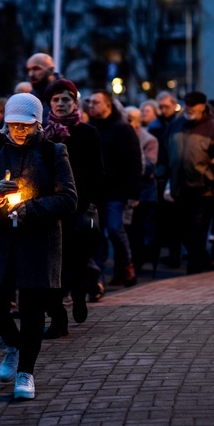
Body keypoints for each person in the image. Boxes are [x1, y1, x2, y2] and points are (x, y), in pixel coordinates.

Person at [0, 92, 76, 400]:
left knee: (32, 309)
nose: (19, 130)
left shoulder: (54, 152)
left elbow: (69, 199)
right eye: (13, 124)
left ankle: (26, 372)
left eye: (25, 125)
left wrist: (31, 209)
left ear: (38, 124)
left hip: (37, 243)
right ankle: (12, 344)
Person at [41, 79, 104, 338]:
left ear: (75, 102)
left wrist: (90, 203)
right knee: (51, 265)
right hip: (50, 208)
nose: (61, 104)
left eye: (66, 99)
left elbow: (97, 172)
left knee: (75, 261)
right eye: (56, 100)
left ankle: (78, 296)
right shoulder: (43, 133)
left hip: (78, 206)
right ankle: (58, 317)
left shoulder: (88, 133)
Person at [160, 91, 214, 275]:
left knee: (197, 229)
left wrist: (211, 174)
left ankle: (195, 268)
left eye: (193, 105)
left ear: (203, 106)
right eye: (187, 104)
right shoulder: (176, 126)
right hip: (178, 186)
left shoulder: (212, 128)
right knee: (181, 229)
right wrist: (161, 175)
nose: (189, 108)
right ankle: (202, 259)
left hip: (202, 187)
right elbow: (164, 152)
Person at [87, 89, 143, 287]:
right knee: (95, 232)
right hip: (95, 193)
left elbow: (134, 162)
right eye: (90, 102)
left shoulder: (122, 129)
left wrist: (133, 192)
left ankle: (126, 266)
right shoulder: (90, 128)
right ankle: (97, 276)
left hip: (116, 191)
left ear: (107, 105)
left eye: (96, 102)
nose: (91, 106)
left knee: (114, 229)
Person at [126, 102, 160, 276]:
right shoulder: (123, 137)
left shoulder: (148, 139)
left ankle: (141, 261)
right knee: (130, 231)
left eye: (130, 119)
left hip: (144, 192)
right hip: (128, 191)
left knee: (141, 231)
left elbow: (149, 166)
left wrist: (128, 169)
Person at [149, 90, 182, 268]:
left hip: (175, 173)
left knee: (176, 220)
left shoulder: (179, 123)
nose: (163, 109)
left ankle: (175, 254)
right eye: (160, 106)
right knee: (164, 220)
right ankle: (170, 253)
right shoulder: (156, 125)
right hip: (162, 174)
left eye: (166, 106)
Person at [25, 53, 59, 125]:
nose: (31, 74)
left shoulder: (65, 97)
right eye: (29, 70)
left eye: (36, 69)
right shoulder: (29, 99)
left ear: (51, 70)